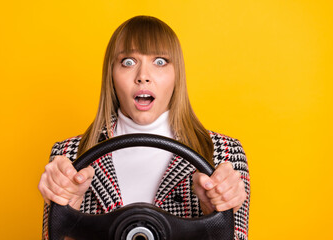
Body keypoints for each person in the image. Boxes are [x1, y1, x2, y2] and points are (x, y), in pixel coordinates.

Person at [38, 15, 250, 240]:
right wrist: (69, 208)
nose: (143, 77)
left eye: (160, 62)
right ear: (111, 75)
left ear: (177, 75)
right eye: (128, 62)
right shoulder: (69, 155)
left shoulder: (223, 153)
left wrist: (216, 213)